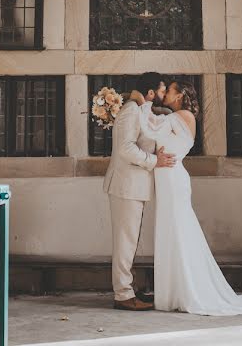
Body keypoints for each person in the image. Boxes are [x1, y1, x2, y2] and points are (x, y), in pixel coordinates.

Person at [129, 80, 242, 316]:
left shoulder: (181, 116)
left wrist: (141, 102)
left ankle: (186, 291)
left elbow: (150, 128)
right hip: (169, 178)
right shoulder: (180, 116)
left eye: (169, 90)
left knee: (178, 233)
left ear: (180, 94)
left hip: (172, 179)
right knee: (173, 232)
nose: (166, 94)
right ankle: (176, 291)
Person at [103, 72, 176, 311]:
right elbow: (125, 149)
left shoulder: (140, 109)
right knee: (125, 243)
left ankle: (127, 290)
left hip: (134, 186)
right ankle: (123, 295)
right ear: (152, 92)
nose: (164, 95)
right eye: (162, 90)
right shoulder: (130, 111)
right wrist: (155, 160)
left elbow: (152, 123)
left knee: (130, 242)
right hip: (126, 186)